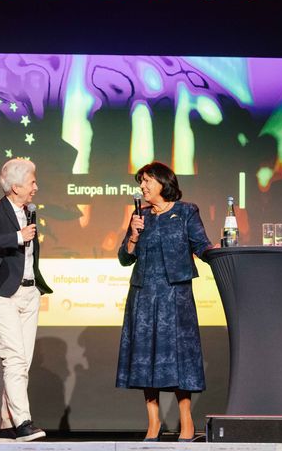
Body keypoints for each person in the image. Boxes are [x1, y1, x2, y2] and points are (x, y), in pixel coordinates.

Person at [116, 161, 214, 442]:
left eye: (147, 181)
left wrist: (222, 256)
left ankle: (186, 422)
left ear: (163, 183)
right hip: (144, 295)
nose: (142, 187)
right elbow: (125, 258)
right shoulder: (140, 216)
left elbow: (201, 245)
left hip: (175, 296)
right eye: (141, 182)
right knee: (146, 358)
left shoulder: (185, 211)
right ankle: (153, 423)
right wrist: (133, 235)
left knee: (179, 358)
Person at [0, 158, 53, 442]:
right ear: (16, 186)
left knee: (22, 362)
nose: (36, 187)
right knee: (13, 359)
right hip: (2, 294)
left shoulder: (30, 212)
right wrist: (17, 236)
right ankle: (23, 422)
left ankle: (6, 424)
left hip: (29, 293)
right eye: (32, 182)